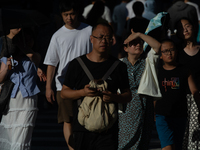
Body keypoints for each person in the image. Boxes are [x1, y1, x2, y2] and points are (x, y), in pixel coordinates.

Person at [60, 23, 132, 150]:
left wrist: (114, 97)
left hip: (108, 130)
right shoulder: (77, 64)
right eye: (100, 37)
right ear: (91, 39)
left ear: (112, 41)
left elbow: (128, 95)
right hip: (82, 128)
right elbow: (64, 93)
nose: (104, 41)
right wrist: (83, 92)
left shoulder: (118, 66)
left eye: (108, 37)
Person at [124, 31, 200, 150]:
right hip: (162, 115)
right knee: (167, 147)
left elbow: (194, 90)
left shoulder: (183, 70)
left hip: (180, 114)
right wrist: (154, 110)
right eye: (165, 51)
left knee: (177, 146)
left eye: (172, 50)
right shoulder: (157, 70)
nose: (169, 53)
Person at [43, 0, 92, 149]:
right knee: (68, 120)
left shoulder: (89, 31)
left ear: (77, 13)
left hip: (87, 83)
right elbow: (52, 63)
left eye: (71, 14)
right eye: (66, 14)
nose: (69, 17)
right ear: (61, 16)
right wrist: (48, 87)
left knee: (89, 119)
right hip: (63, 85)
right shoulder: (57, 36)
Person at [118, 30, 160, 149]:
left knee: (143, 143)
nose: (138, 44)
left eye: (140, 42)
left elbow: (157, 46)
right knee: (125, 143)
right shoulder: (119, 64)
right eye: (133, 43)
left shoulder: (148, 61)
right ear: (125, 48)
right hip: (126, 109)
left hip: (145, 108)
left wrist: (139, 34)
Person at [0, 28, 40, 150]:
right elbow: (0, 79)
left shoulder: (34, 56)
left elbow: (32, 55)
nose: (28, 42)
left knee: (22, 137)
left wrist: (22, 45)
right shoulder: (6, 59)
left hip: (28, 101)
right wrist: (6, 67)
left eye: (30, 39)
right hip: (12, 100)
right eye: (24, 39)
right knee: (11, 136)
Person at [175, 17, 200, 149]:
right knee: (182, 135)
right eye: (181, 28)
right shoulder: (176, 53)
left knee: (195, 137)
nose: (185, 29)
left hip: (198, 98)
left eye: (187, 26)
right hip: (181, 99)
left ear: (194, 27)